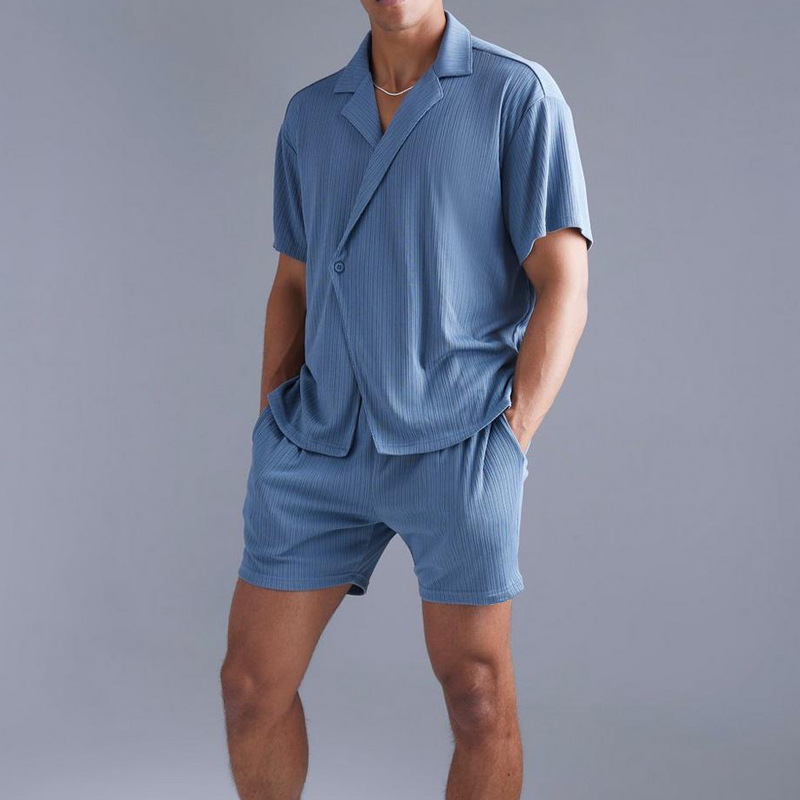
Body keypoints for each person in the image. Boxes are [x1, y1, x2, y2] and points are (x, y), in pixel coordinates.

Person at [221, 2, 592, 798]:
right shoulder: (311, 115)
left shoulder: (515, 94)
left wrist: (512, 436)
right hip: (320, 443)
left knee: (477, 695)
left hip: (458, 442)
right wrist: (271, 423)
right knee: (250, 687)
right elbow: (294, 281)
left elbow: (564, 280)